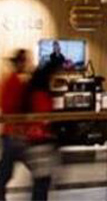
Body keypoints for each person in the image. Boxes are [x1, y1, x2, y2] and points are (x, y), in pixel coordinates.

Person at [22, 60, 62, 201]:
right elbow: (44, 118)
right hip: (40, 141)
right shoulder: (41, 95)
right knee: (42, 183)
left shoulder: (32, 92)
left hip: (34, 141)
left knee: (40, 182)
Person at [0, 49, 28, 201]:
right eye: (23, 61)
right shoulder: (15, 82)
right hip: (15, 133)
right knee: (6, 171)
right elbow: (13, 106)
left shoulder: (10, 80)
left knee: (6, 170)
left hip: (11, 133)